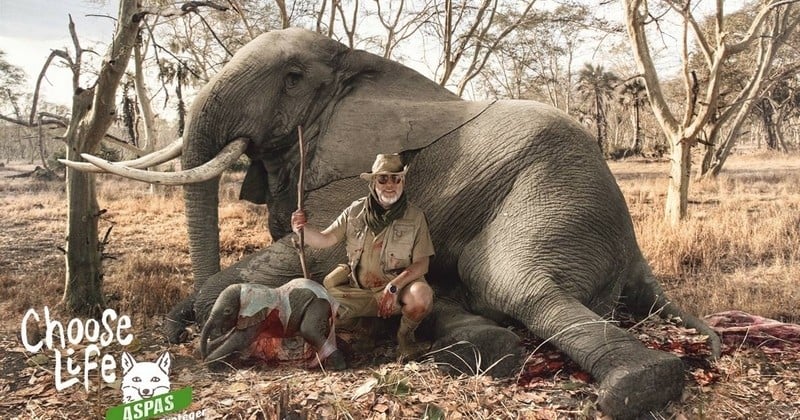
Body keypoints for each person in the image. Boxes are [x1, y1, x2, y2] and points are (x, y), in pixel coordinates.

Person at [291, 153, 435, 359]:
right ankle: (362, 329)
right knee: (322, 312)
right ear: (373, 182)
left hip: (397, 291)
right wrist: (301, 229)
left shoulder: (415, 216)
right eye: (383, 179)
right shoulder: (355, 211)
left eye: (396, 179)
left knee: (421, 296)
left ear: (403, 181)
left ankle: (405, 340)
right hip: (359, 292)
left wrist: (394, 286)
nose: (390, 185)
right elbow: (325, 239)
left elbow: (423, 264)